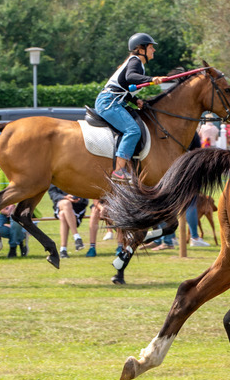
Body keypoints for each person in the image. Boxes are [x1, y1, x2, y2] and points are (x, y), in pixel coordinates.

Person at [95, 33, 168, 183]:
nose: (153, 50)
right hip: (109, 102)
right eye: (151, 47)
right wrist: (152, 79)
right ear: (140, 49)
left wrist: (135, 100)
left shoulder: (136, 63)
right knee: (133, 130)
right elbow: (130, 77)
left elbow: (123, 88)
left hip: (114, 100)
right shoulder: (135, 61)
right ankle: (119, 170)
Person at [49, 185, 88, 259]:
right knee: (66, 203)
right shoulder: (54, 178)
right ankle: (77, 237)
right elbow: (52, 193)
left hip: (77, 206)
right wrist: (65, 197)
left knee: (62, 214)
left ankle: (63, 250)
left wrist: (75, 197)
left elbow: (85, 190)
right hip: (61, 203)